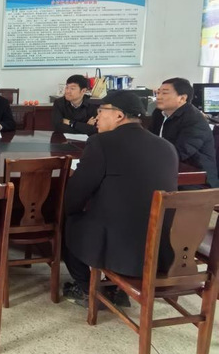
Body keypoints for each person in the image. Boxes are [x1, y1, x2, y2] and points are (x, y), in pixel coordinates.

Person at [62, 91, 178, 307]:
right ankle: (116, 289)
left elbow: (77, 193)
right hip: (160, 245)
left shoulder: (101, 143)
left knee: (68, 222)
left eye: (101, 111)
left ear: (119, 115)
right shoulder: (167, 147)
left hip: (118, 246)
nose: (96, 118)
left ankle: (89, 289)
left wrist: (69, 211)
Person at [150, 77, 219, 187]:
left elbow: (180, 153)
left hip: (199, 181)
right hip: (170, 170)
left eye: (165, 93)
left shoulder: (194, 120)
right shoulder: (159, 114)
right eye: (158, 92)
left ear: (182, 98)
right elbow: (150, 140)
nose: (158, 97)